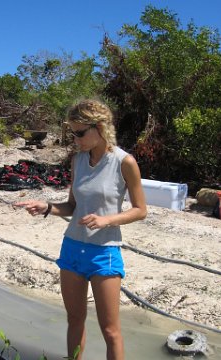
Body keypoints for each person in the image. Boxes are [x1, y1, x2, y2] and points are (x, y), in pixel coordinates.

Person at [13, 99, 147, 360]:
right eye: (72, 132)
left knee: (110, 330)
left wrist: (107, 220)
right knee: (74, 320)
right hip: (72, 248)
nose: (75, 139)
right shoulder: (78, 161)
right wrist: (48, 207)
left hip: (104, 253)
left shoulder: (124, 162)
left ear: (100, 127)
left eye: (80, 133)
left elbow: (141, 210)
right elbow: (73, 206)